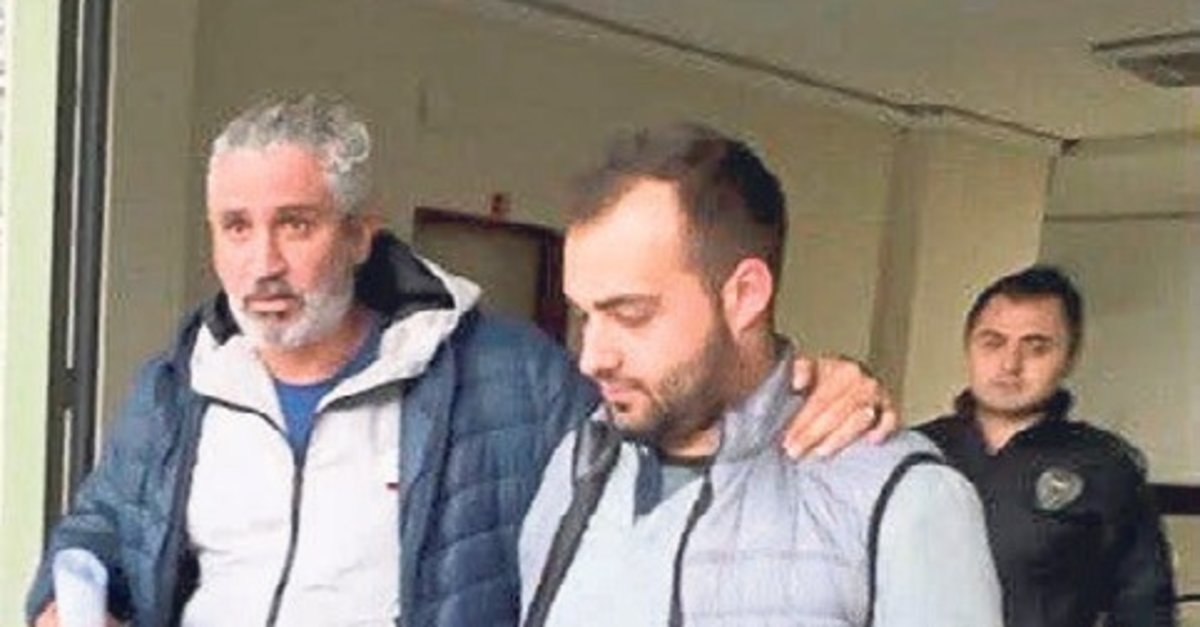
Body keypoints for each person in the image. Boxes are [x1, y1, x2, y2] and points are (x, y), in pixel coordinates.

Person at [26, 95, 896, 626]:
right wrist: (67, 600)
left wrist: (797, 383)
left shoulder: (508, 377)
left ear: (362, 234)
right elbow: (99, 530)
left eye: (296, 223)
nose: (263, 263)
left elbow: (667, 430)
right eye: (235, 227)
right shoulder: (178, 387)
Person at [518, 122, 1003, 626]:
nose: (592, 357)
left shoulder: (903, 498)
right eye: (585, 315)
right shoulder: (577, 466)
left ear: (745, 295)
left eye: (631, 313)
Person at [918, 265, 1178, 627]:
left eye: (1037, 348)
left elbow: (1144, 608)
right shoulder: (915, 453)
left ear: (1069, 358)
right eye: (993, 342)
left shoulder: (1105, 466)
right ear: (968, 347)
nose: (1010, 364)